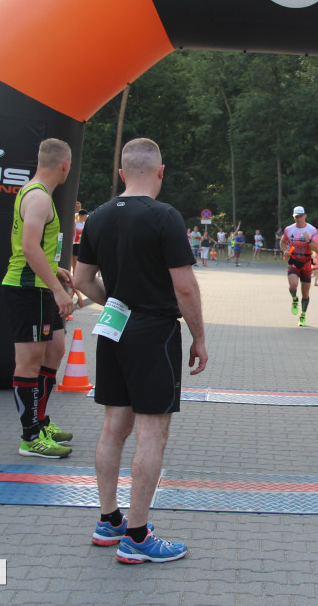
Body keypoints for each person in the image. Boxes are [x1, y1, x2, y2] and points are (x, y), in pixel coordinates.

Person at [73, 138, 206, 564]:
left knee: (115, 425)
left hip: (114, 327)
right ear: (160, 172)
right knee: (152, 431)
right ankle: (137, 536)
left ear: (121, 173)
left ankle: (109, 519)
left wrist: (113, 300)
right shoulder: (165, 217)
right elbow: (184, 286)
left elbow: (80, 279)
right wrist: (199, 336)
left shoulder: (97, 217)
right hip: (154, 330)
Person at [2, 138, 76, 457]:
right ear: (65, 166)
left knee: (55, 350)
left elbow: (22, 241)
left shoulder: (35, 193)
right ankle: (30, 436)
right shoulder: (38, 198)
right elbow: (29, 247)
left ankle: (41, 421)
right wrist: (58, 290)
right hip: (28, 289)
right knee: (29, 362)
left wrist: (56, 268)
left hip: (40, 285)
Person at [281, 206, 318, 327]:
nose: (298, 219)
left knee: (305, 292)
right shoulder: (289, 229)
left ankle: (302, 315)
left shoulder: (312, 230)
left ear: (305, 216)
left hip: (306, 263)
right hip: (293, 260)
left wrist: (309, 241)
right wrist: (285, 251)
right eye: (296, 217)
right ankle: (294, 299)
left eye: (300, 216)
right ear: (294, 217)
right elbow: (283, 242)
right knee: (293, 285)